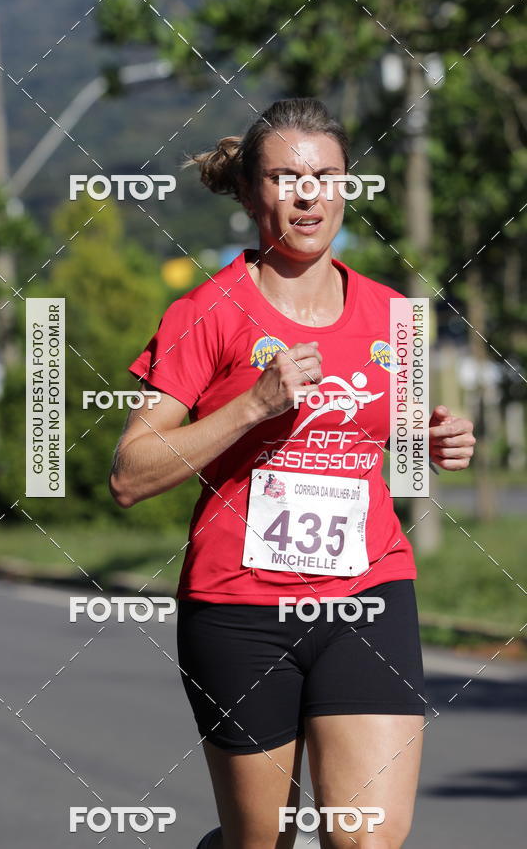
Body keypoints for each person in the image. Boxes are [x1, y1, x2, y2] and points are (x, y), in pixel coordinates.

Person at [109, 97, 476, 849]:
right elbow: (130, 474)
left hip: (365, 596)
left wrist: (433, 440)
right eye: (284, 177)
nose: (308, 194)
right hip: (239, 609)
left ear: (346, 189)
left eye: (326, 177)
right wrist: (253, 406)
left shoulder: (394, 318)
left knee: (366, 837)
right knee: (261, 842)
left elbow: (397, 455)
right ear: (250, 193)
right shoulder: (205, 314)